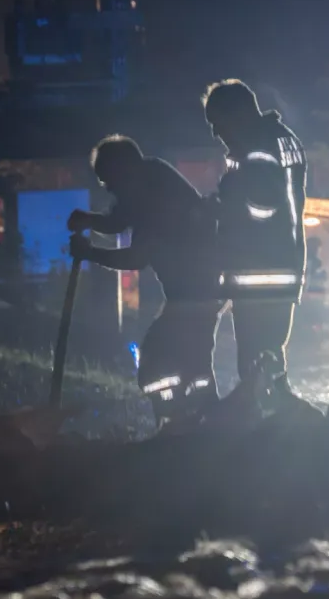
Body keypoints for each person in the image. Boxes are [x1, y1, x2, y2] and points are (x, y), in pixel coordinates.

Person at [67, 135, 221, 428]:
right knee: (191, 359)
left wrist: (89, 252)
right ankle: (198, 422)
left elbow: (135, 259)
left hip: (196, 293)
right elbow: (119, 220)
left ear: (124, 171)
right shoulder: (147, 180)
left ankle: (183, 421)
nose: (109, 189)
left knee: (158, 359)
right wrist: (89, 220)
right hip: (194, 291)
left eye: (109, 180)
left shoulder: (155, 197)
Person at [201, 79, 307, 397]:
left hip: (259, 275)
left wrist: (225, 203)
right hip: (278, 269)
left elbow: (262, 209)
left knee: (256, 362)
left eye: (217, 123)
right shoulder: (276, 141)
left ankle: (264, 431)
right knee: (269, 359)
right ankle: (276, 426)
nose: (215, 133)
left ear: (237, 115)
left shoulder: (258, 149)